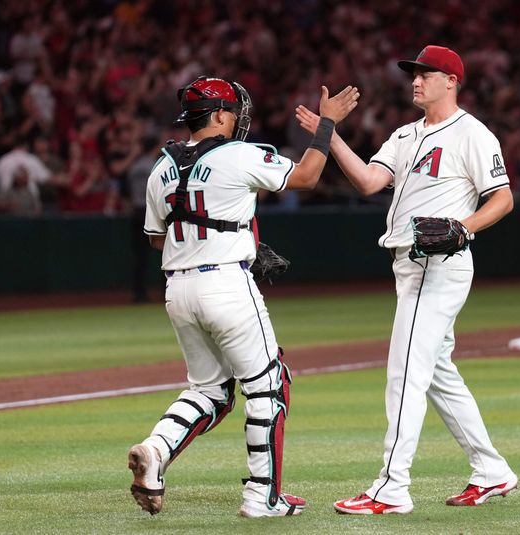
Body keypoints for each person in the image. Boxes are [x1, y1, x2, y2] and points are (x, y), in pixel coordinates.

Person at [295, 45, 518, 514]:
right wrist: (329, 134)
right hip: (408, 265)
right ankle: (492, 471)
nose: (416, 80)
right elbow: (370, 182)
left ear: (452, 80)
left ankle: (391, 488)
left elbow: (502, 200)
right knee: (437, 373)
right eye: (413, 74)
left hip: (440, 263)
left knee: (404, 374)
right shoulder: (405, 134)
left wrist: (463, 226)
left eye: (426, 74)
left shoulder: (473, 134)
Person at [129, 76, 359, 518]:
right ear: (218, 115)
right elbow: (308, 176)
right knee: (270, 385)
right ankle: (262, 496)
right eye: (233, 111)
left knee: (211, 390)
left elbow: (160, 239)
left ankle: (155, 452)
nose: (238, 119)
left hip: (178, 290)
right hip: (226, 285)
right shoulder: (240, 154)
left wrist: (228, 238)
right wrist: (327, 124)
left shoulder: (161, 167)